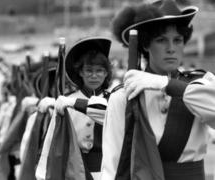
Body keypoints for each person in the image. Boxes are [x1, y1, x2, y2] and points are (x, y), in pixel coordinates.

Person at [100, 0, 215, 180]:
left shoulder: (201, 84)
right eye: (161, 40)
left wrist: (166, 84)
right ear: (145, 44)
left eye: (177, 40)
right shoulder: (124, 96)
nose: (171, 49)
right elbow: (112, 166)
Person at [36, 37, 112, 179]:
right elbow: (51, 140)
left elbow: (109, 114)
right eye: (89, 70)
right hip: (75, 170)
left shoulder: (114, 99)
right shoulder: (65, 102)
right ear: (80, 72)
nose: (94, 75)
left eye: (100, 71)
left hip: (108, 171)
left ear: (106, 73)